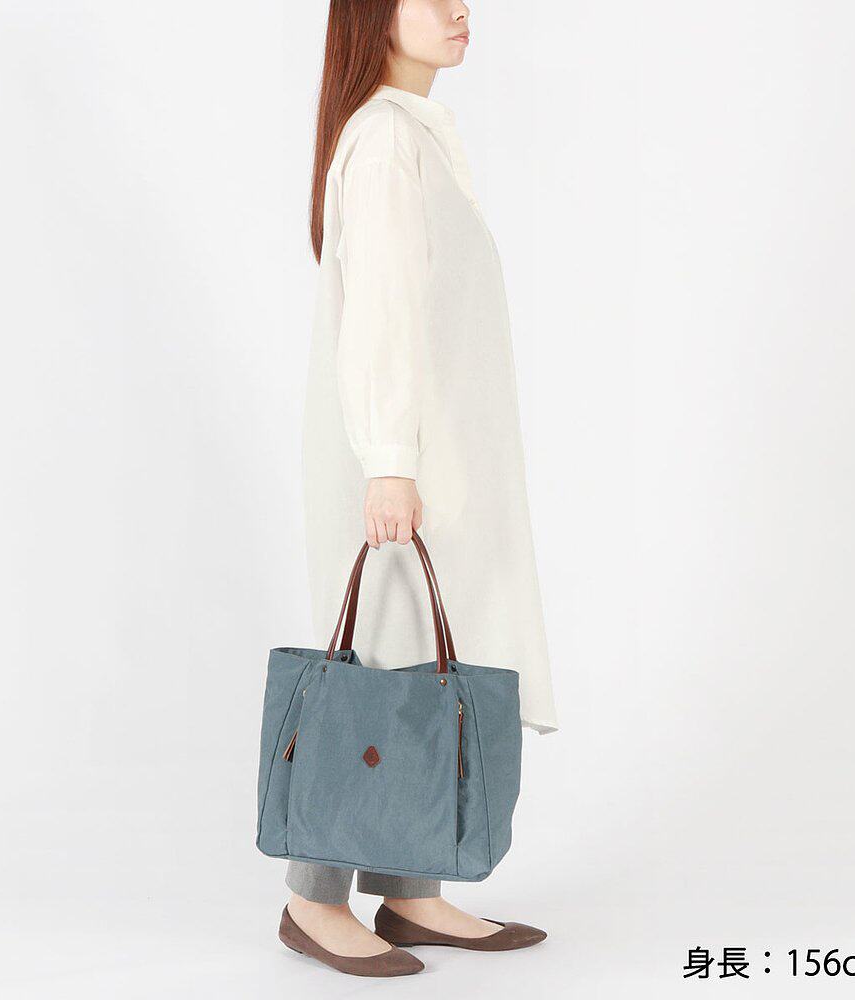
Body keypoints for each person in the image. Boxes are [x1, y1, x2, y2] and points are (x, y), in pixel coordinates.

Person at [284, 0, 558, 976]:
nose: (457, 8)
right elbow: (383, 312)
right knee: (372, 668)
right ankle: (313, 899)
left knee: (423, 669)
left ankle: (409, 890)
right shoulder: (385, 140)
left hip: (436, 460)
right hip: (398, 462)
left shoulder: (415, 131)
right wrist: (390, 458)